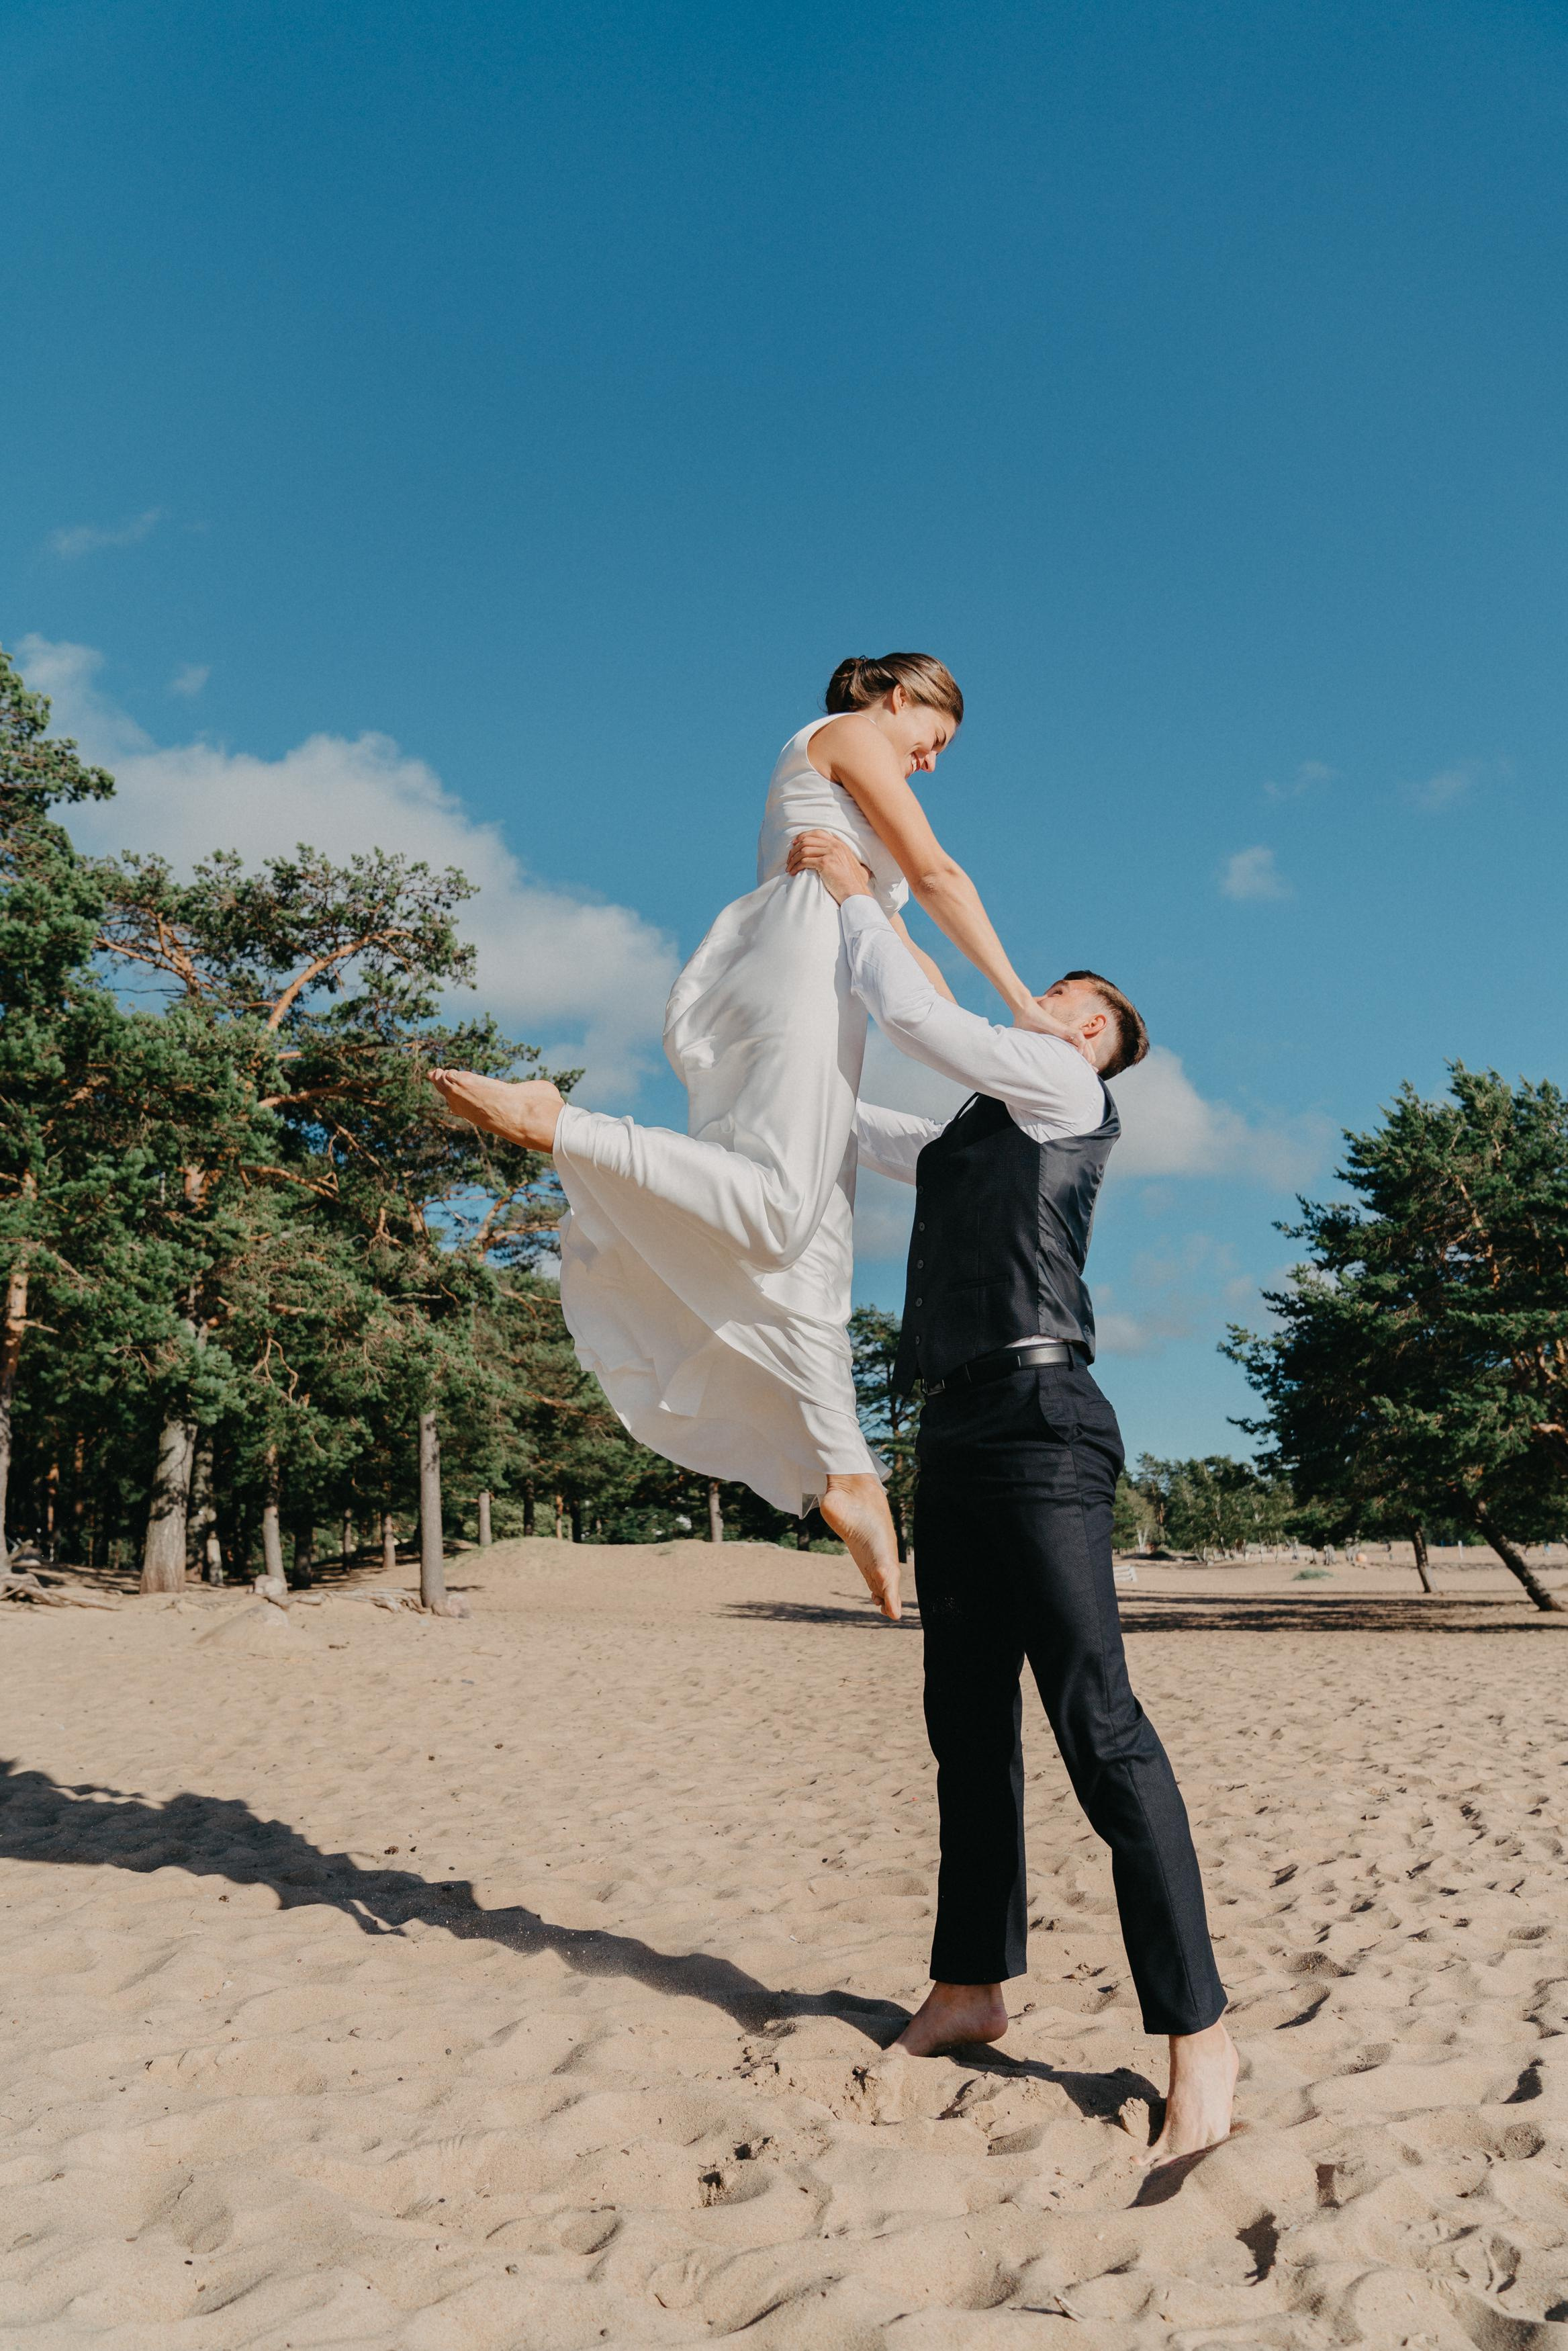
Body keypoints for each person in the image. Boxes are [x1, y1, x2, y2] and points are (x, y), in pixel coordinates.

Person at [429, 655, 1060, 1617]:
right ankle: (560, 1124)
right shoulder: (846, 736)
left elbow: (910, 959)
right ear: (898, 699)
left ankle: (847, 1475)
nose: (930, 764)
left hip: (826, 975)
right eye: (933, 742)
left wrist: (998, 1058)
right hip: (799, 962)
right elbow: (936, 872)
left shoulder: (857, 804)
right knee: (777, 1213)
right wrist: (1027, 1005)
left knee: (811, 1253)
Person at [786, 824, 1237, 2167]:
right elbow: (838, 1116)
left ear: (1095, 1055)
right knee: (962, 1725)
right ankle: (972, 1985)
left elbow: (917, 1007)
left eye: (1091, 1016)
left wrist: (860, 895)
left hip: (1046, 1423)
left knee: (1098, 1728)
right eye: (1065, 993)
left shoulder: (1059, 1096)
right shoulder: (965, 1138)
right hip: (954, 1430)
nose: (1065, 1011)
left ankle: (1198, 2036)